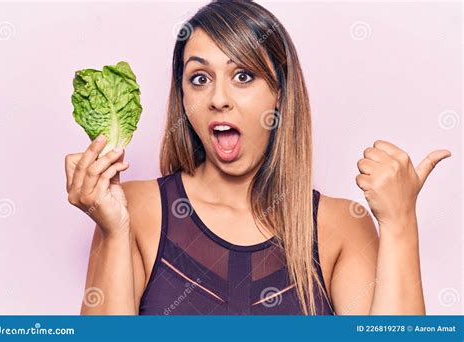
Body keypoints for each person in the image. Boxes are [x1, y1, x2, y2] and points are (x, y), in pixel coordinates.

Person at [65, 0, 451, 315]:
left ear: (279, 94)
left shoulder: (343, 227)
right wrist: (114, 232)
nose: (218, 99)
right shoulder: (133, 210)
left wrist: (400, 224)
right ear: (182, 98)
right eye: (199, 78)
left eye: (244, 77)